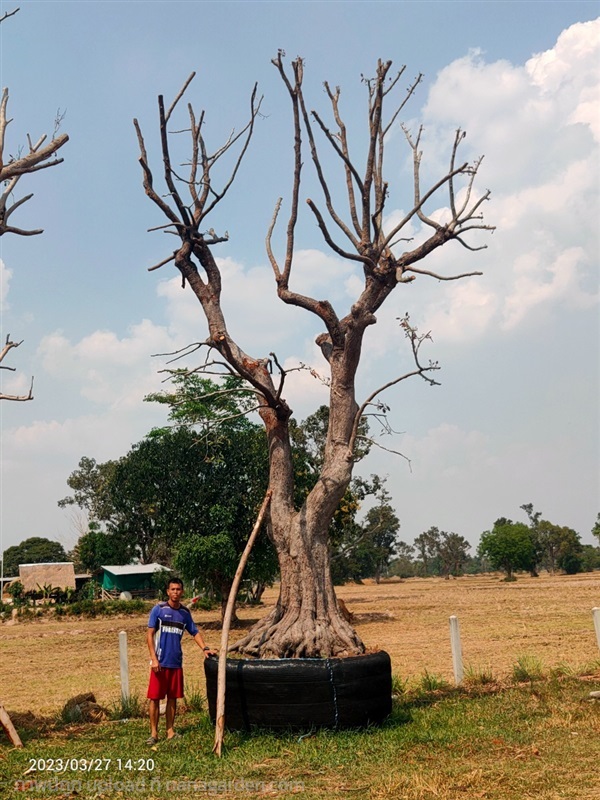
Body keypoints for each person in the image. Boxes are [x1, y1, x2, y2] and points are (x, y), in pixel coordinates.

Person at [146, 576, 215, 744]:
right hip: (160, 663)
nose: (175, 592)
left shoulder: (184, 613)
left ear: (182, 591)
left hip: (176, 663)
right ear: (167, 591)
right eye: (172, 589)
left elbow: (194, 632)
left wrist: (205, 648)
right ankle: (154, 734)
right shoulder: (159, 610)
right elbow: (149, 635)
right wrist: (154, 659)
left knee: (172, 698)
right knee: (155, 698)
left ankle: (170, 731)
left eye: (178, 589)